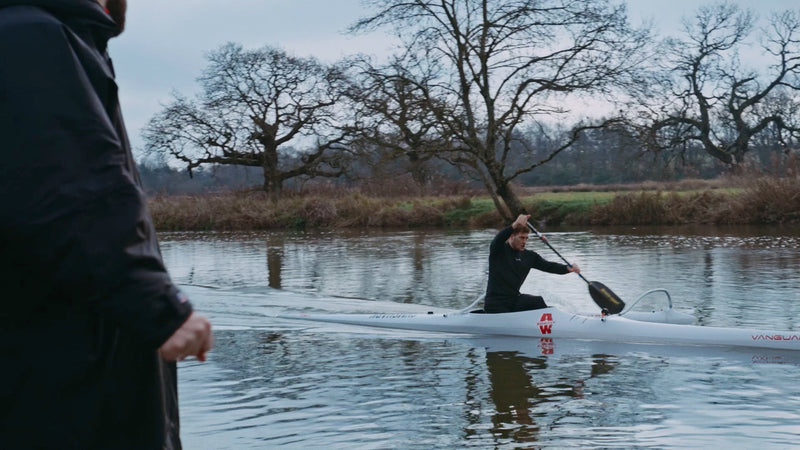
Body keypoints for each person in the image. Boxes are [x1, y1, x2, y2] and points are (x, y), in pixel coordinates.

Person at [0, 0, 213, 448]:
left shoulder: (45, 34)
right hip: (63, 372)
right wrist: (156, 303)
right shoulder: (28, 35)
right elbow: (66, 185)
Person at [484, 214, 580, 313]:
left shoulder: (529, 256)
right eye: (521, 238)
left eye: (526, 238)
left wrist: (567, 269)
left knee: (537, 301)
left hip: (514, 300)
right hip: (496, 305)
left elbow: (549, 266)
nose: (524, 241)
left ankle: (552, 323)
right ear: (511, 237)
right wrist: (514, 225)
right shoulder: (498, 250)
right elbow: (498, 239)